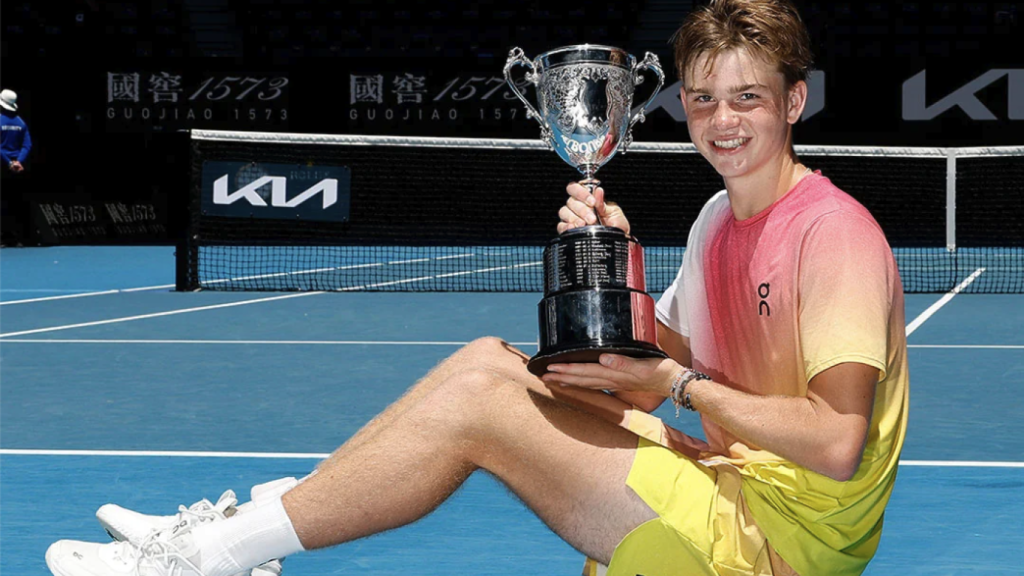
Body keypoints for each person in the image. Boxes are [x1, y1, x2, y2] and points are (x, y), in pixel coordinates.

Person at [44, 1, 908, 575]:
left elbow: (835, 442)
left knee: (480, 414)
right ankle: (249, 533)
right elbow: (680, 352)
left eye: (748, 98)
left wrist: (672, 389)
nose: (723, 121)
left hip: (785, 543)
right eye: (704, 99)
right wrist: (615, 256)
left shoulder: (829, 233)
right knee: (488, 367)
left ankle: (203, 560)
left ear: (795, 102)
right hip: (731, 477)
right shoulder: (718, 221)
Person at [0, 89, 32, 174]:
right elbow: (27, 145)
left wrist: (9, 163)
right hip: (17, 167)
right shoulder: (21, 123)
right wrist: (18, 161)